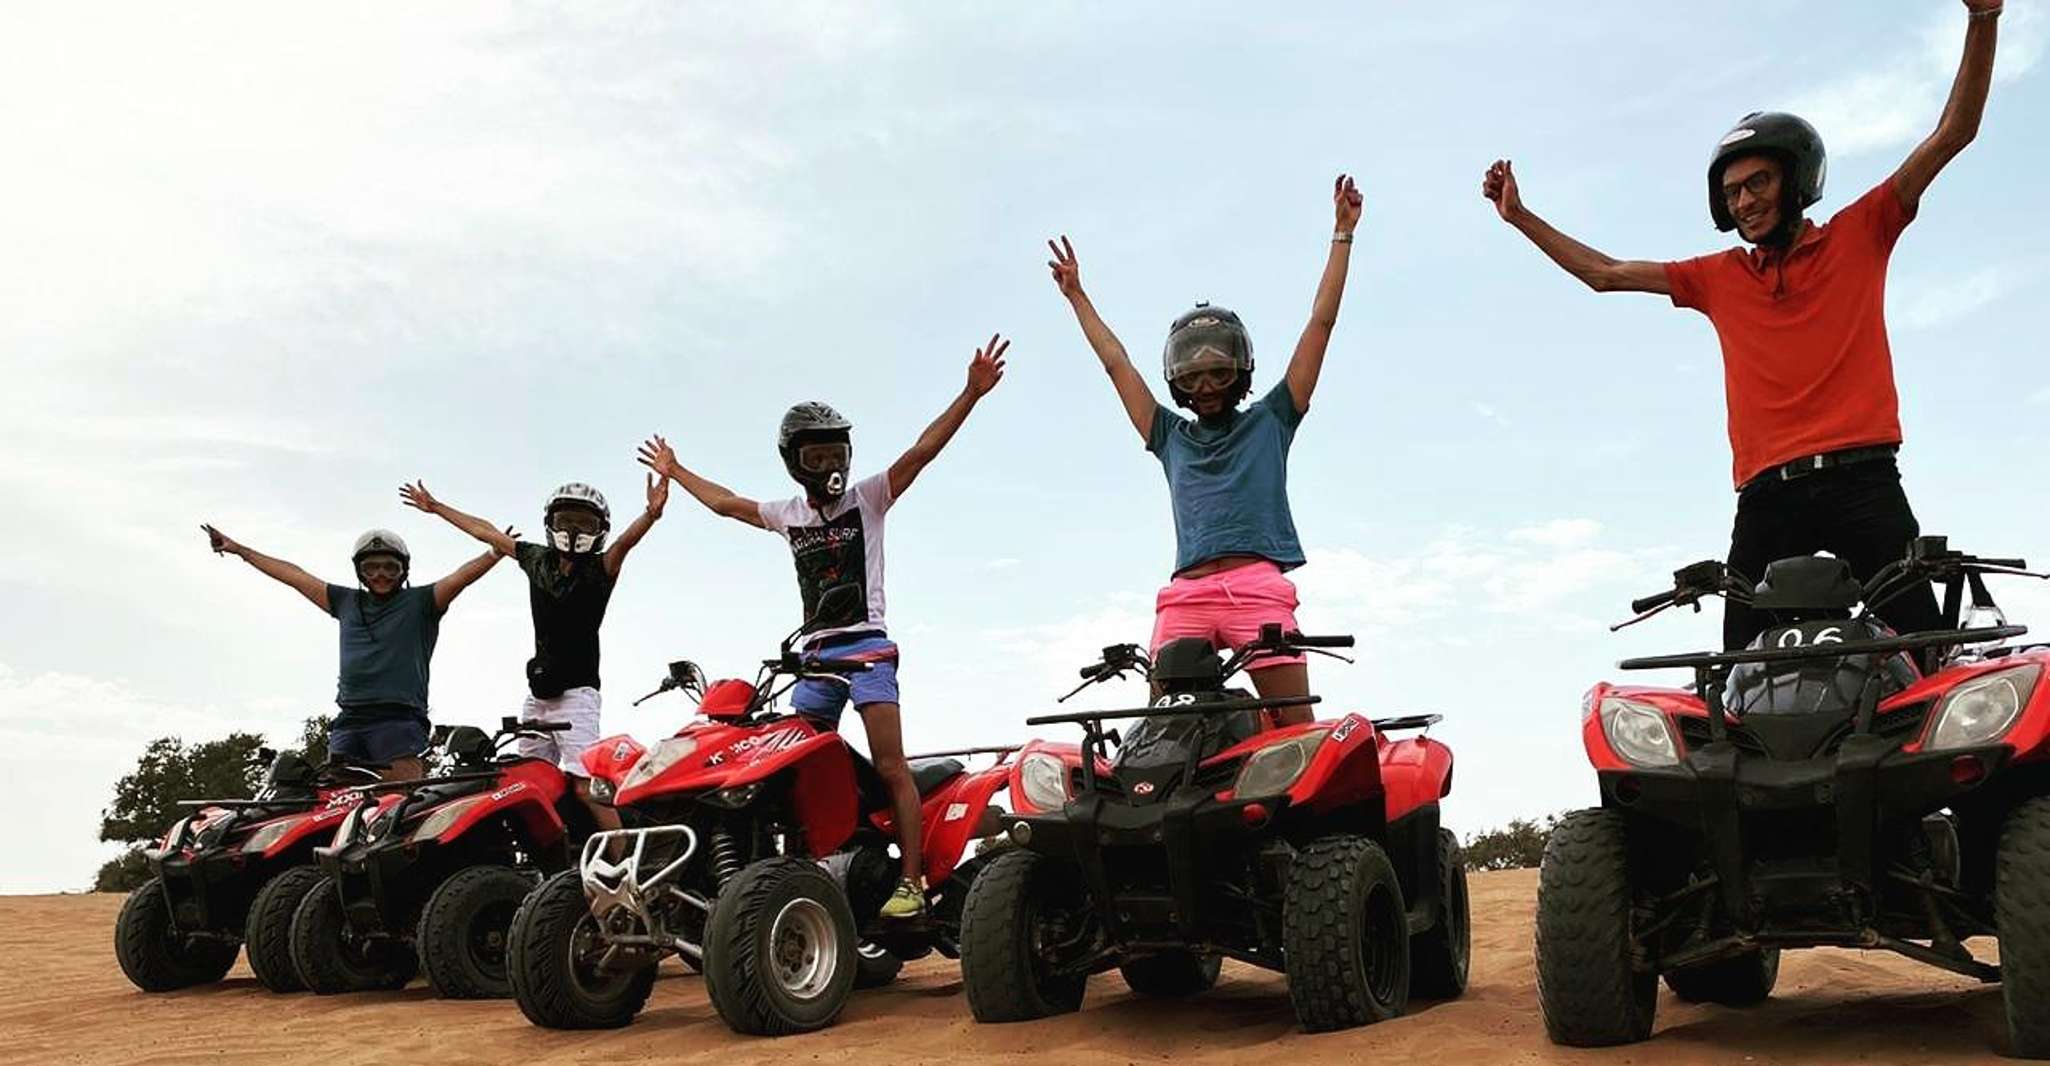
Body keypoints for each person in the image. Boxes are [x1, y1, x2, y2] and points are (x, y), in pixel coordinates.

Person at [1482, 0, 2005, 652]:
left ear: (1796, 179)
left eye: (1758, 183)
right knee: (1735, 673)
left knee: (1927, 651)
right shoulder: (1719, 276)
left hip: (1862, 481)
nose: (1746, 201)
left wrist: (1983, 19)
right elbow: (1607, 272)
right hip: (1767, 497)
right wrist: (1521, 217)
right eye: (1733, 194)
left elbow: (1951, 133)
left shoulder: (1861, 231)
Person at [637, 335, 1009, 919]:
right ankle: (803, 875)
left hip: (867, 650)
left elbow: (922, 450)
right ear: (794, 462)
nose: (830, 466)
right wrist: (677, 470)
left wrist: (970, 393)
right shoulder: (788, 515)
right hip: (814, 661)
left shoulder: (870, 499)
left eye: (836, 454)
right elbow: (726, 503)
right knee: (787, 766)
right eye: (816, 458)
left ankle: (911, 882)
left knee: (890, 765)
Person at [1047, 174, 1364, 726]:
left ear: (1240, 372)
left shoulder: (1272, 419)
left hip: (1258, 588)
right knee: (1159, 734)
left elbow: (1321, 322)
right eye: (1195, 375)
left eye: (1220, 372)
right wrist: (1078, 296)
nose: (1208, 385)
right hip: (1187, 594)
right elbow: (1116, 362)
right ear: (1178, 381)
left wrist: (1342, 235)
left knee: (1296, 728)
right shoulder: (1169, 435)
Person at [398, 476, 668, 835]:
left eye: (584, 523)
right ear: (550, 523)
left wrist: (650, 514)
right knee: (528, 782)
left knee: (586, 787)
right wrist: (436, 507)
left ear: (599, 529)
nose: (572, 530)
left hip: (578, 694)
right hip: (539, 693)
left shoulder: (600, 568)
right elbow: (486, 532)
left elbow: (625, 543)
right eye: (565, 521)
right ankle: (554, 862)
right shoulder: (536, 559)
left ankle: (625, 863)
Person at [200, 523, 506, 780]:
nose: (381, 574)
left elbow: (460, 577)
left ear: (404, 570)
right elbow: (294, 576)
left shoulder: (422, 602)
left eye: (390, 566)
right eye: (371, 567)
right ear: (359, 571)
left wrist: (495, 550)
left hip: (398, 719)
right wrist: (241, 550)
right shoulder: (345, 601)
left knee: (399, 806)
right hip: (349, 720)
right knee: (337, 808)